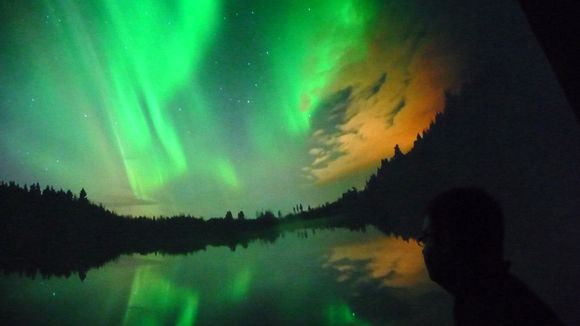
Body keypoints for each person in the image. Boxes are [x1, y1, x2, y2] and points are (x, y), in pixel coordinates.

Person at [419, 187, 563, 325]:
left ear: (445, 240)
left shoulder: (489, 309)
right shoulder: (500, 297)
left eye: (425, 238)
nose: (423, 250)